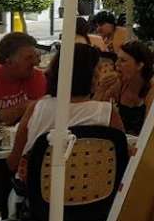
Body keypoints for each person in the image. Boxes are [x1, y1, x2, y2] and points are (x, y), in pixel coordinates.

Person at [7, 48, 121, 181]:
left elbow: (13, 162)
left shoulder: (37, 108)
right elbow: (122, 155)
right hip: (91, 194)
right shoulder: (107, 113)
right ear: (93, 77)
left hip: (37, 195)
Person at [0, 33, 47, 126]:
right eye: (28, 58)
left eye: (35, 56)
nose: (35, 62)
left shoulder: (36, 75)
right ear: (9, 62)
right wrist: (23, 107)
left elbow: (43, 113)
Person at [104, 41, 154, 135]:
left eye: (123, 61)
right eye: (117, 59)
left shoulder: (153, 89)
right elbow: (95, 111)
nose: (116, 64)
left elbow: (150, 129)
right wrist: (101, 90)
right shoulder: (118, 84)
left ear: (140, 65)